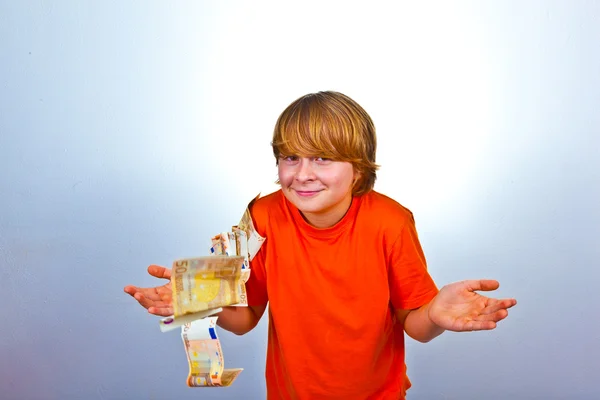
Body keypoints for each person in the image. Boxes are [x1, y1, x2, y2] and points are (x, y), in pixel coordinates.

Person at [124, 91, 517, 399]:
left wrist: (434, 314)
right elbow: (245, 320)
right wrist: (196, 302)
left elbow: (414, 325)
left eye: (324, 158)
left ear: (358, 168)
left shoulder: (391, 222)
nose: (303, 174)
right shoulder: (262, 217)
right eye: (290, 157)